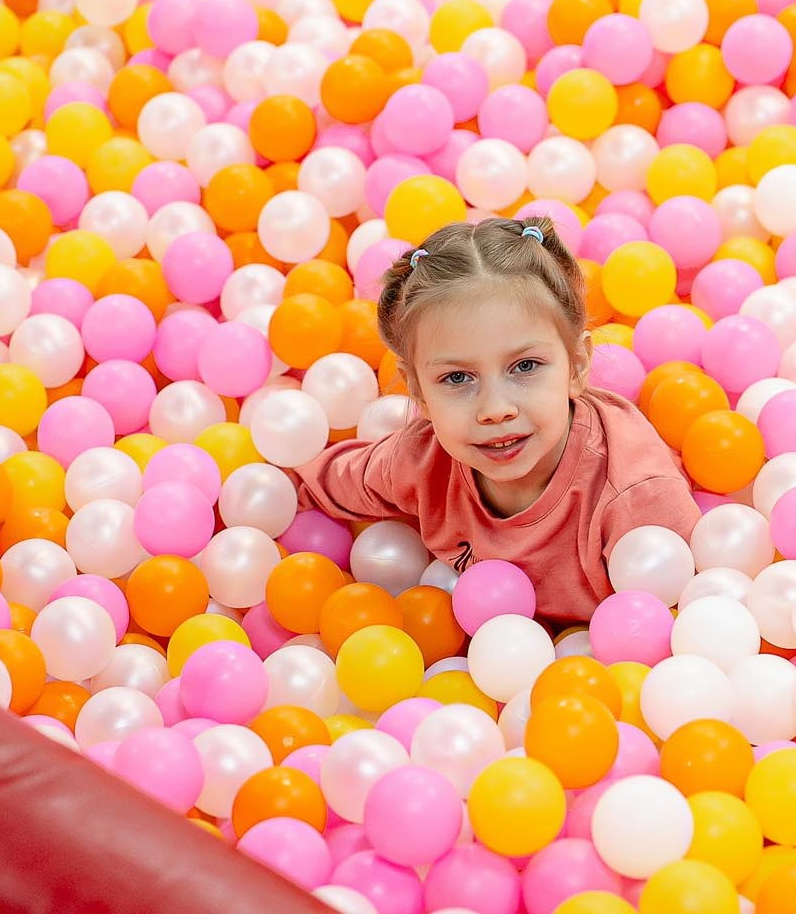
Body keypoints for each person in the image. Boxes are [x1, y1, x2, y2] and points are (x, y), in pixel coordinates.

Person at [293, 216, 699, 627]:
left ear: (577, 365)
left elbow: (688, 622)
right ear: (418, 393)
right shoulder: (421, 460)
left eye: (525, 366)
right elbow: (320, 481)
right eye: (457, 378)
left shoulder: (634, 498)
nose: (495, 408)